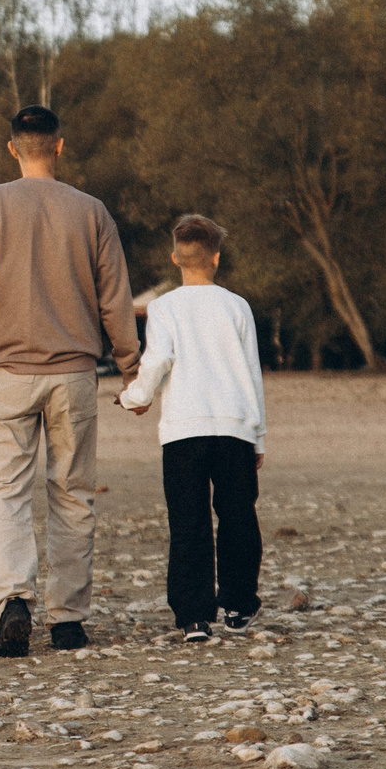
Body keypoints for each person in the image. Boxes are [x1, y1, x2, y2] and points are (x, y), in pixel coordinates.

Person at [0, 105, 138, 657]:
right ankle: (67, 620)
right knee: (73, 496)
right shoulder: (92, 212)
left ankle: (13, 601)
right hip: (75, 375)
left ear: (12, 148)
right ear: (59, 147)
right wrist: (132, 367)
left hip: (9, 375)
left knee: (5, 495)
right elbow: (115, 300)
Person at [117, 213, 268, 639]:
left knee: (188, 522)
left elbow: (158, 360)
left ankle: (193, 616)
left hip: (183, 429)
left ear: (174, 258)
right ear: (216, 258)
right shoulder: (237, 306)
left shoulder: (164, 308)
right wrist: (258, 436)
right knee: (238, 517)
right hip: (235, 425)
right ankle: (239, 605)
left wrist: (134, 397)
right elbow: (252, 374)